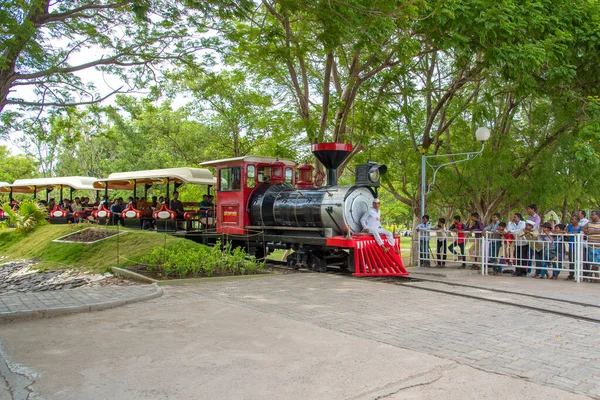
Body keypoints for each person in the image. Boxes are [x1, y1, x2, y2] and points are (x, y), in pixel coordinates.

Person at [582, 210, 600, 282]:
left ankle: (591, 275)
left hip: (598, 245)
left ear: (598, 215)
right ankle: (595, 277)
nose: (592, 216)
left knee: (597, 262)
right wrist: (586, 231)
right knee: (593, 261)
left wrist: (594, 232)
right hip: (590, 244)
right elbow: (582, 228)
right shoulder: (589, 222)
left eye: (593, 214)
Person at [565, 215, 582, 280]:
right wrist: (568, 232)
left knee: (578, 260)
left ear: (577, 220)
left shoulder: (580, 227)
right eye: (571, 219)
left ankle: (578, 274)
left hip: (578, 246)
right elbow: (565, 231)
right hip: (571, 245)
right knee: (571, 260)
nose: (572, 220)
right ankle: (571, 274)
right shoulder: (569, 226)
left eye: (574, 219)